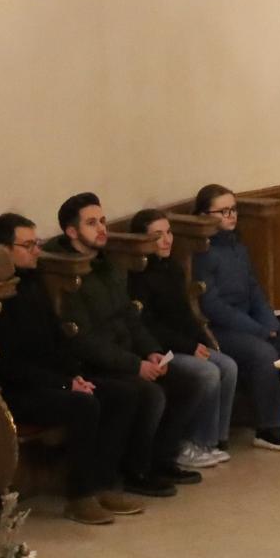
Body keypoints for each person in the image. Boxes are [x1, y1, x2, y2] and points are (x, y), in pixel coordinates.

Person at [0, 217, 148, 520]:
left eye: (37, 243)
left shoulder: (32, 282)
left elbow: (58, 339)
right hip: (16, 391)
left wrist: (74, 376)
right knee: (84, 405)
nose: (36, 251)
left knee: (125, 393)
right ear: (3, 248)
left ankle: (104, 484)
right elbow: (10, 366)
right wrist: (65, 385)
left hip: (50, 380)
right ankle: (80, 497)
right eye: (28, 245)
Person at [46, 193, 202, 491]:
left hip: (125, 354)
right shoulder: (65, 275)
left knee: (187, 381)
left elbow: (130, 317)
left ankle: (161, 459)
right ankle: (135, 472)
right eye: (92, 223)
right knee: (147, 393)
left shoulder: (107, 264)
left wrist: (152, 351)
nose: (102, 228)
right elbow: (84, 340)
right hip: (93, 364)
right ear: (71, 231)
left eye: (103, 221)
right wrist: (135, 364)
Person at [189, 184, 280, 451]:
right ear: (205, 215)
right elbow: (212, 305)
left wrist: (270, 322)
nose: (231, 216)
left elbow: (254, 289)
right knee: (262, 353)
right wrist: (257, 329)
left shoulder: (238, 247)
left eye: (233, 210)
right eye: (223, 211)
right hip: (221, 329)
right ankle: (268, 426)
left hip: (251, 322)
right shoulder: (202, 254)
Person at [126, 209, 237, 469]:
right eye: (157, 235)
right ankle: (191, 443)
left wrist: (202, 340)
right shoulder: (136, 277)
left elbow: (185, 314)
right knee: (207, 373)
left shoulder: (173, 268)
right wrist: (189, 346)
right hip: (161, 350)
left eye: (168, 233)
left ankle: (214, 440)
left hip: (184, 343)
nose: (166, 240)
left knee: (228, 365)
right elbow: (148, 325)